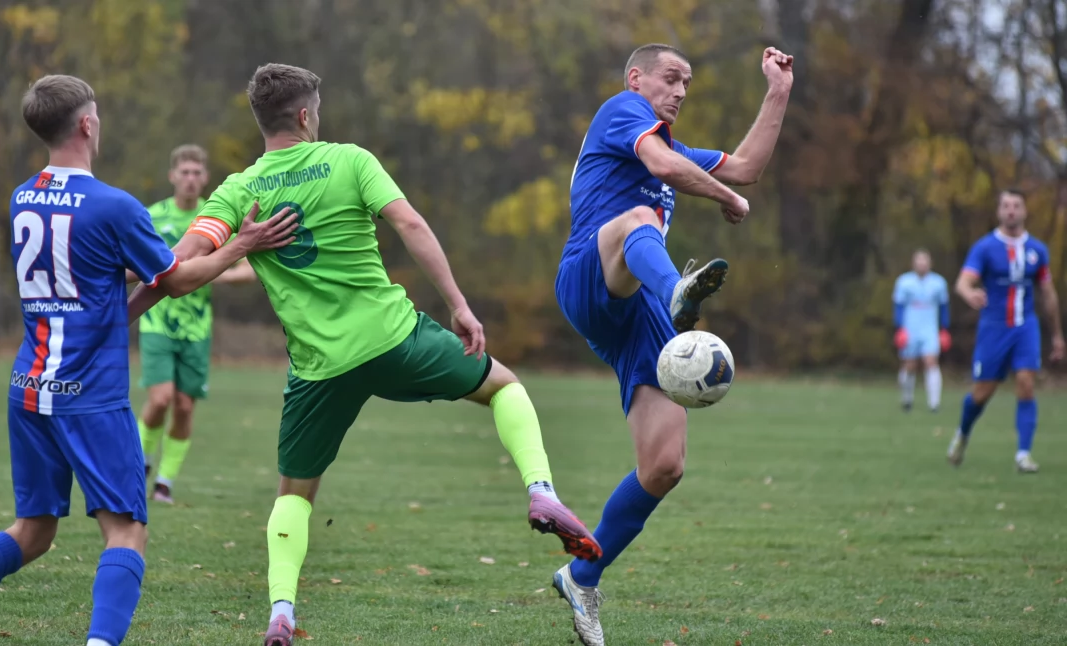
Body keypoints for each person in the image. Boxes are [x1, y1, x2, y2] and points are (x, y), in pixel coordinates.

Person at [125, 63, 600, 646]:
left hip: (318, 367)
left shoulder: (238, 190)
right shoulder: (351, 160)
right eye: (316, 111)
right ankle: (541, 492)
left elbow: (174, 272)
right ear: (305, 116)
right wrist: (458, 304)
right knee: (503, 386)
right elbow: (411, 224)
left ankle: (280, 613)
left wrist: (214, 257)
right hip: (392, 338)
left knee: (295, 494)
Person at [0, 74, 296, 646]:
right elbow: (177, 280)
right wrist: (242, 244)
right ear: (86, 124)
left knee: (33, 530)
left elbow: (88, 275)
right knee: (126, 533)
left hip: (29, 388)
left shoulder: (22, 196)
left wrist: (138, 284)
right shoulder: (114, 206)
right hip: (90, 395)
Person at [550, 44, 793, 645]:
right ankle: (679, 289)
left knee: (664, 466)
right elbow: (664, 167)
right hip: (590, 275)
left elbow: (744, 168)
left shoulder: (674, 145)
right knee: (638, 219)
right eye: (671, 77)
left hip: (641, 313)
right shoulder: (622, 111)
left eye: (688, 82)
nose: (681, 90)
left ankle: (582, 575)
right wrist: (725, 198)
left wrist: (778, 92)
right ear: (637, 79)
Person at [136, 144, 258, 504]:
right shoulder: (152, 216)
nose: (190, 179)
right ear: (173, 176)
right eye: (183, 172)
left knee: (185, 407)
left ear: (205, 178)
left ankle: (165, 483)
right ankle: (140, 461)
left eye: (196, 173)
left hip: (197, 328)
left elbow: (248, 270)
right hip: (157, 322)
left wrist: (203, 273)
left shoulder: (217, 215)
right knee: (160, 400)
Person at [947, 189, 1065, 473]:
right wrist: (970, 294)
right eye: (1006, 206)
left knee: (1026, 382)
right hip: (994, 328)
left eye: (1016, 206)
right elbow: (963, 282)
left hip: (1026, 327)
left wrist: (1058, 335)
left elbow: (1048, 294)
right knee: (982, 392)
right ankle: (962, 433)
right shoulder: (985, 247)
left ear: (1024, 211)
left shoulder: (1038, 250)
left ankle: (1023, 454)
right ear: (999, 211)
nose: (1011, 211)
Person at [892, 249, 951, 412]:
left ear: (930, 263)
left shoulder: (939, 283)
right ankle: (907, 400)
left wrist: (944, 329)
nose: (921, 264)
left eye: (924, 261)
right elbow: (898, 307)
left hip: (929, 329)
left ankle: (934, 404)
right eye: (918, 261)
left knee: (931, 362)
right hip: (910, 328)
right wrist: (899, 329)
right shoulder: (904, 282)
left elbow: (944, 307)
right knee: (909, 365)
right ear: (913, 263)